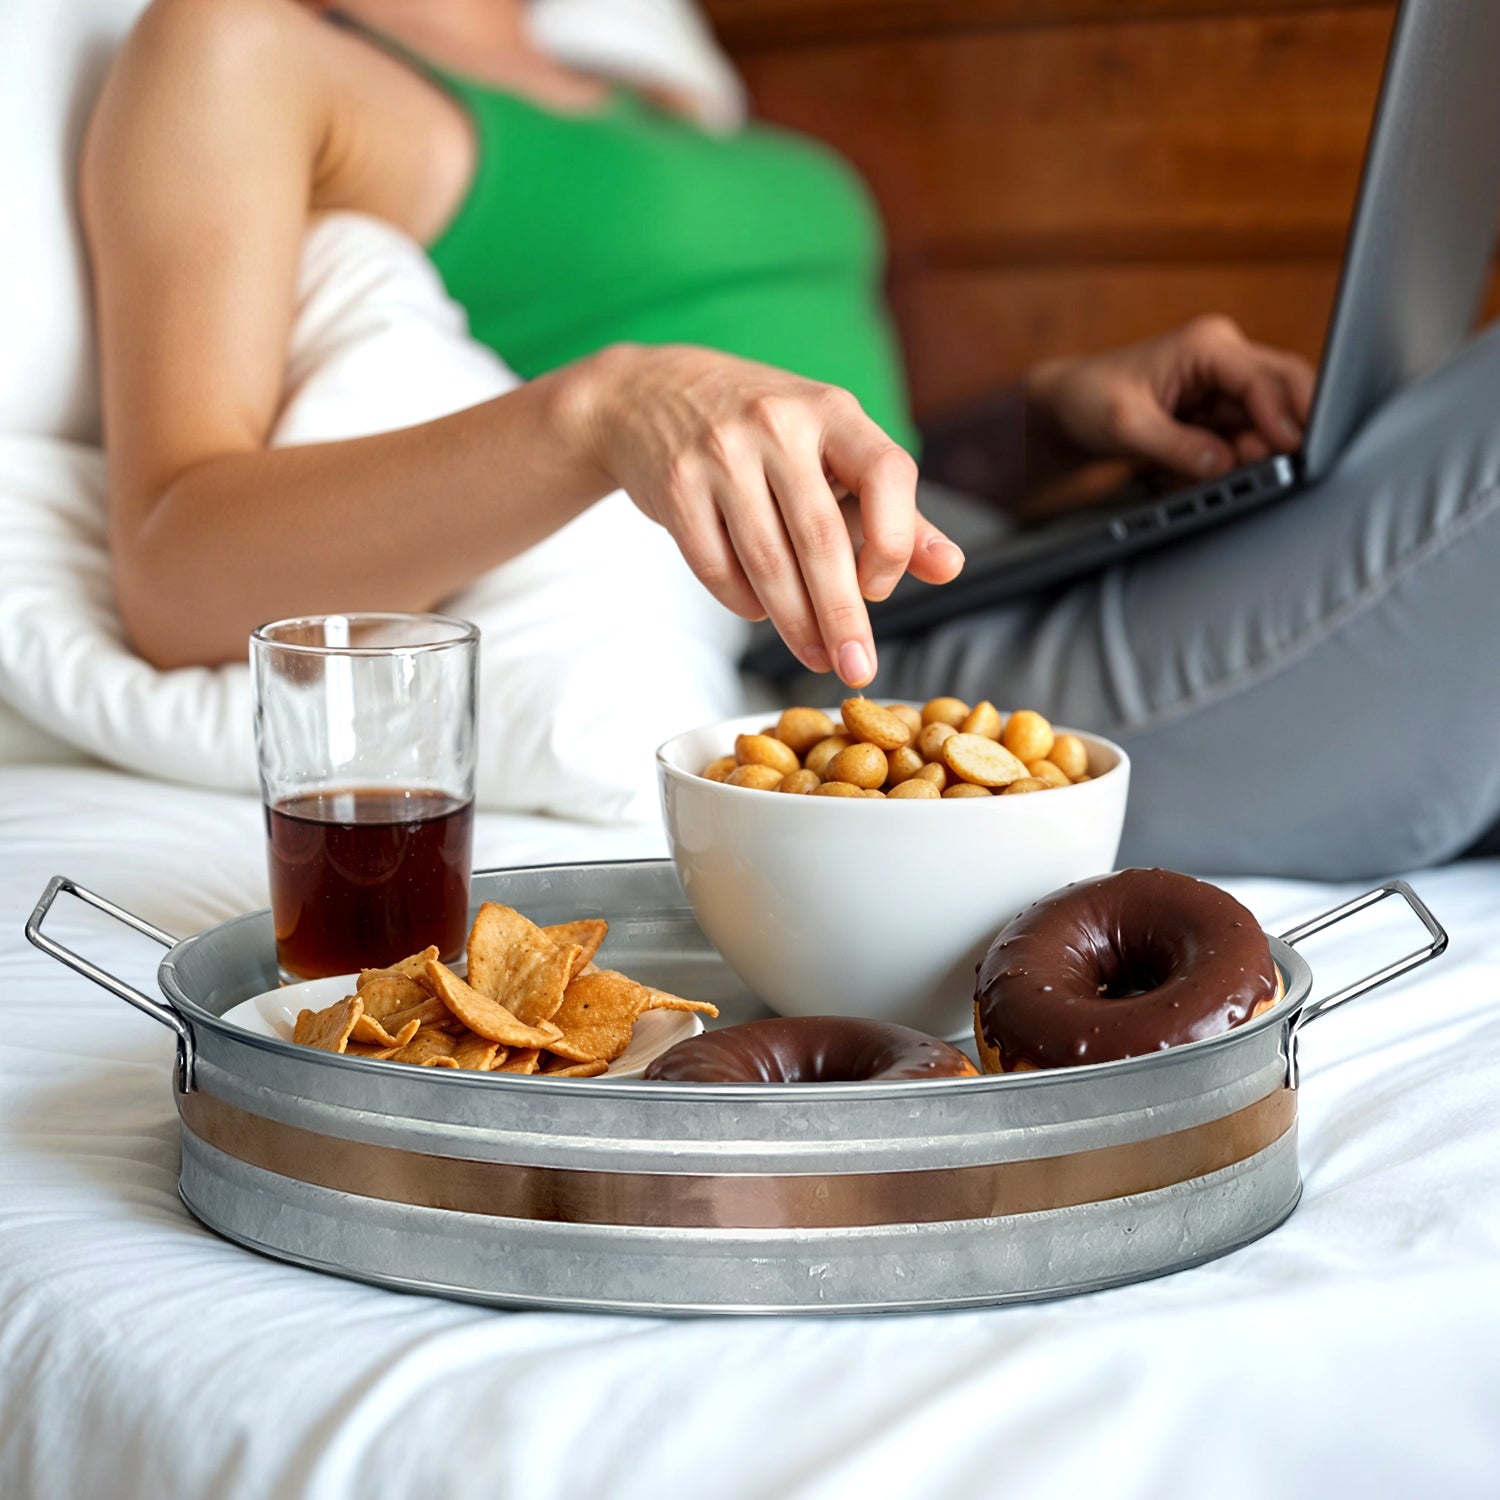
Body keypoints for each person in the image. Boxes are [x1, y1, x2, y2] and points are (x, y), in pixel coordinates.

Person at [83, 0, 1500, 877]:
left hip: (1005, 559)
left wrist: (1046, 417)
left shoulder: (661, 88)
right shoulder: (243, 47)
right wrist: (603, 407)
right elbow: (174, 574)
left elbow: (825, 442)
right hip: (875, 682)